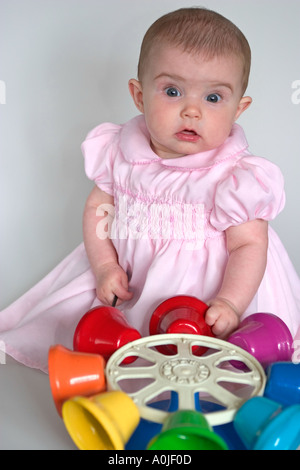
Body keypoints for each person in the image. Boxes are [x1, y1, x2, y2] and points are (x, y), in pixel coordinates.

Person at [1, 7, 299, 372]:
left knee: (218, 360)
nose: (192, 111)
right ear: (139, 96)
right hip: (133, 281)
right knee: (93, 336)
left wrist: (232, 303)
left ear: (239, 108)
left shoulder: (236, 178)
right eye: (172, 91)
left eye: (213, 98)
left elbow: (249, 245)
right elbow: (98, 210)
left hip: (213, 293)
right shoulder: (119, 153)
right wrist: (106, 265)